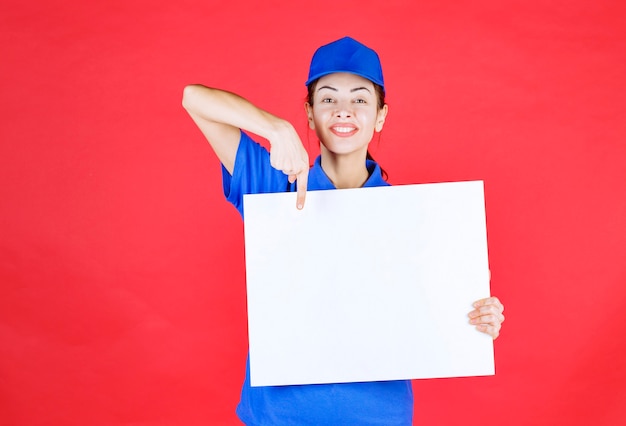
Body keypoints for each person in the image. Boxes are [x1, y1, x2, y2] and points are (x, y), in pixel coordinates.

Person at [183, 36, 505, 426]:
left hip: (378, 415)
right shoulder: (274, 186)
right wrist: (274, 128)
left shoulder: (414, 218)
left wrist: (475, 318)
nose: (344, 111)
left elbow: (431, 314)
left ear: (381, 116)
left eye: (360, 99)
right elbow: (193, 99)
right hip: (279, 415)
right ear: (310, 112)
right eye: (328, 99)